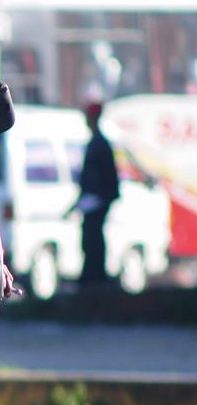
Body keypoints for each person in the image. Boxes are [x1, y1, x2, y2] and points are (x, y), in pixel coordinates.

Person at [71, 102, 120, 285]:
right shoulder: (98, 143)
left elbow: (102, 176)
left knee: (93, 237)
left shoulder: (99, 144)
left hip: (98, 200)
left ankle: (95, 275)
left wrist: (100, 196)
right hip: (94, 199)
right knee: (91, 236)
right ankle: (93, 274)